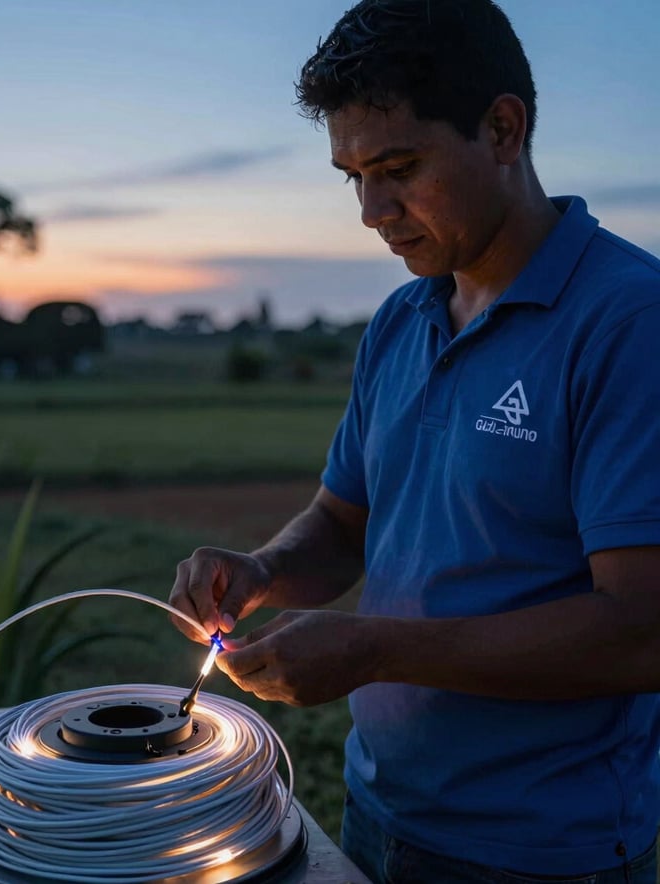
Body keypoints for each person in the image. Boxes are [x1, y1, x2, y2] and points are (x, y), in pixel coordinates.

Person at [169, 1, 660, 880]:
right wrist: (264, 570)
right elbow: (343, 522)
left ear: (503, 128)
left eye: (398, 167)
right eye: (351, 174)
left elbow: (641, 632)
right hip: (377, 808)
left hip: (541, 849)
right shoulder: (401, 320)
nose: (370, 210)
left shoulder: (629, 325)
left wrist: (377, 646)